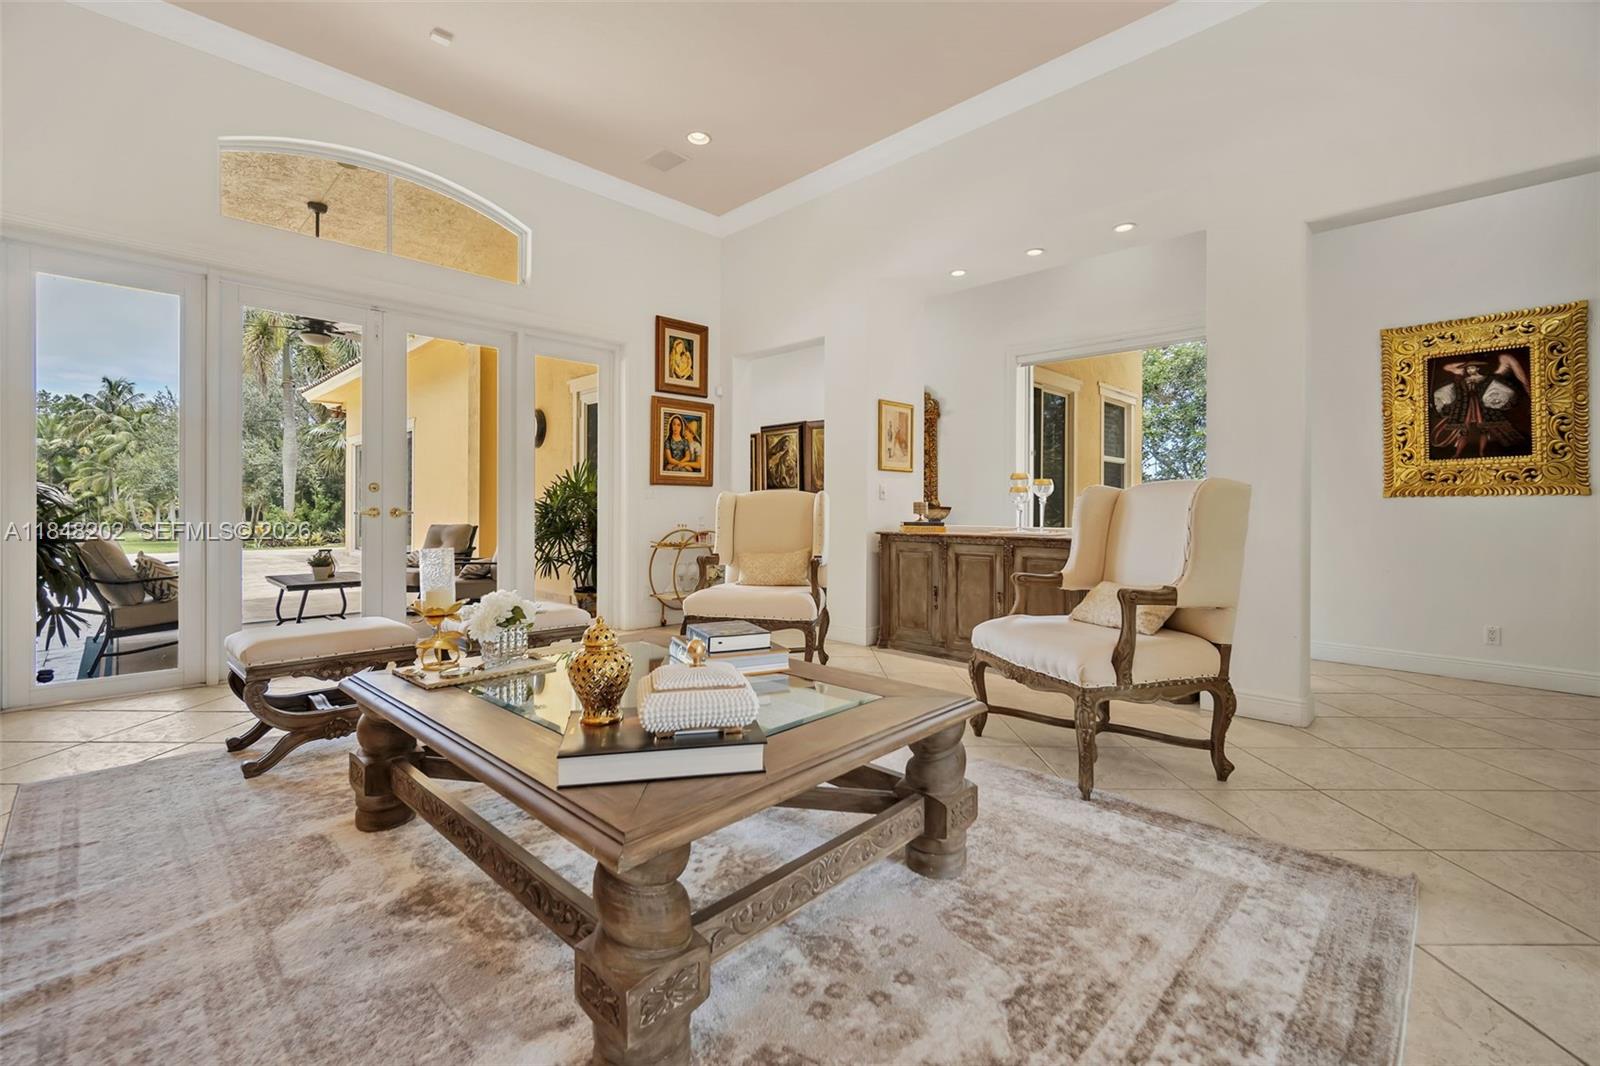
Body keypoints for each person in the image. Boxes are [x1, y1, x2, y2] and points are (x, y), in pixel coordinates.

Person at [1431, 351, 1531, 458]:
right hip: (1466, 406)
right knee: (1463, 431)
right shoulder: (1463, 380)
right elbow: (1455, 387)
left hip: (1482, 406)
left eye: (1472, 368)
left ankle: (1482, 453)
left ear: (1477, 368)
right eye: (1468, 369)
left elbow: (1495, 388)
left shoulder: (1487, 378)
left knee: (1484, 430)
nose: (1470, 370)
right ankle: (1457, 453)